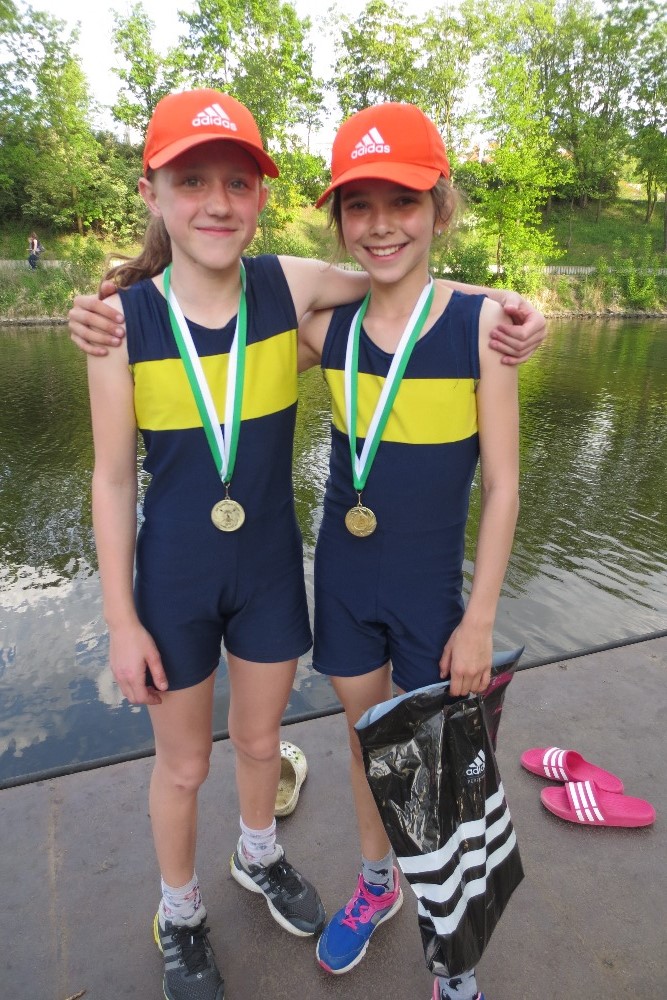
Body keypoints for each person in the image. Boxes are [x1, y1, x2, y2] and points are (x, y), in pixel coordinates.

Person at [77, 89, 540, 1000]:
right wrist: (119, 619)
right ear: (152, 193)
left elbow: (403, 292)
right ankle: (201, 910)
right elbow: (114, 475)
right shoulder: (151, 324)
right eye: (191, 182)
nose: (216, 202)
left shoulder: (295, 295)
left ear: (261, 195)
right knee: (226, 760)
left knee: (333, 751)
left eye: (237, 183)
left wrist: (508, 303)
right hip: (208, 580)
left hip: (310, 582)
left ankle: (323, 887)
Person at [296, 102, 521, 1000]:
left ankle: (451, 941)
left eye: (404, 202)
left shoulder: (478, 330)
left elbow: (502, 486)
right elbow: (237, 290)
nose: (380, 224)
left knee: (434, 763)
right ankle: (377, 883)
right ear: (338, 220)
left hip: (432, 595)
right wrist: (125, 291)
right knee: (367, 745)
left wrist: (480, 618)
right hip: (344, 580)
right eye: (358, 205)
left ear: (440, 209)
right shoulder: (326, 333)